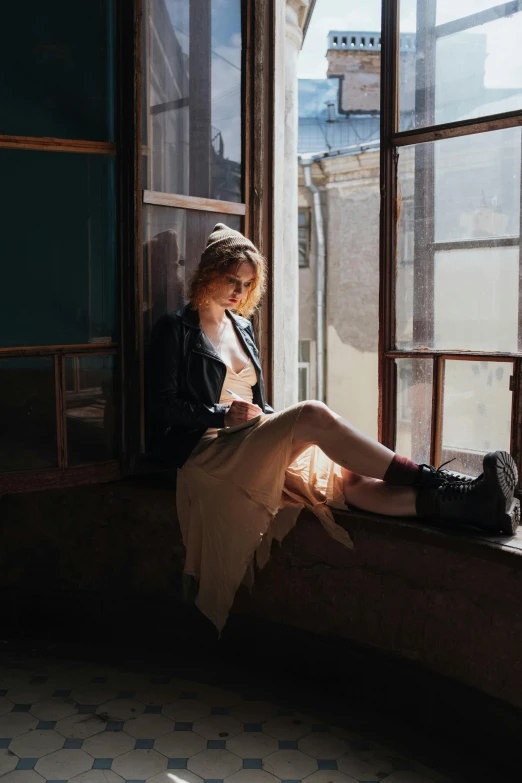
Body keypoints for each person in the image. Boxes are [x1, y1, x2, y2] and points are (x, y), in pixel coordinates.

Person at [149, 223, 520, 632]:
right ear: (209, 273)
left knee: (351, 481)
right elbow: (163, 406)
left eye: (247, 283)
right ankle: (442, 480)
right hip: (209, 452)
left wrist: (266, 421)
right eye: (231, 279)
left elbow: (259, 403)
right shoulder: (175, 329)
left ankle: (473, 506)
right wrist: (220, 415)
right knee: (312, 413)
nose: (239, 291)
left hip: (249, 439)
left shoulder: (242, 327)